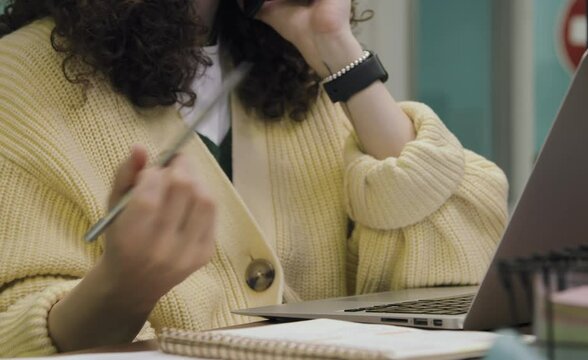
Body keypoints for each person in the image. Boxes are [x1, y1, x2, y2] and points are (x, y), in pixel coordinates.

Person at [0, 0, 508, 356]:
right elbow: (12, 336)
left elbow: (463, 268)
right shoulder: (17, 80)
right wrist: (123, 285)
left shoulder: (290, 60)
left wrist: (333, 42)